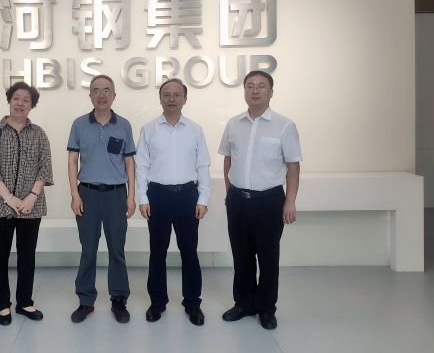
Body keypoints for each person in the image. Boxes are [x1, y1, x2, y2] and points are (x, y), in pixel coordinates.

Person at [218, 70, 302, 330]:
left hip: (269, 201)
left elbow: (293, 166)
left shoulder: (284, 125)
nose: (255, 91)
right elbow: (228, 159)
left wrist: (290, 201)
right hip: (238, 200)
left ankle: (266, 309)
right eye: (250, 86)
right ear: (244, 91)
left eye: (261, 86)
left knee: (267, 257)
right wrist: (229, 190)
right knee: (241, 256)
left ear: (271, 92)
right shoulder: (233, 124)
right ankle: (244, 304)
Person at [136, 78, 211, 326]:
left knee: (189, 252)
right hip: (157, 195)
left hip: (187, 195)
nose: (171, 99)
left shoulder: (195, 129)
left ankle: (192, 303)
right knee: (157, 252)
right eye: (166, 94)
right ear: (160, 99)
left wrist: (203, 198)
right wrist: (143, 198)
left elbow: (203, 165)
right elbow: (141, 165)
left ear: (185, 99)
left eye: (177, 95)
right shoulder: (149, 129)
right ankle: (157, 302)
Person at [0, 81, 53, 326]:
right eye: (16, 98)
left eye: (26, 100)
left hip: (31, 206)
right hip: (1, 206)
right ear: (9, 101)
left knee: (27, 256)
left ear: (32, 105)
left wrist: (31, 196)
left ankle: (24, 302)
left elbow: (45, 166)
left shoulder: (39, 133)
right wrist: (10, 199)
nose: (20, 103)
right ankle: (3, 305)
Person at [67, 75, 136, 324]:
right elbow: (72, 160)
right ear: (90, 95)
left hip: (116, 195)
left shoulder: (124, 125)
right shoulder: (79, 124)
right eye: (96, 90)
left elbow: (129, 162)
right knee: (88, 250)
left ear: (114, 95)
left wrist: (131, 196)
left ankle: (119, 300)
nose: (101, 95)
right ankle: (86, 300)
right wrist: (75, 194)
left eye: (107, 90)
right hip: (87, 194)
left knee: (117, 250)